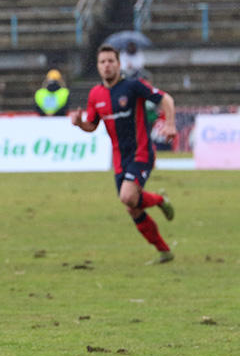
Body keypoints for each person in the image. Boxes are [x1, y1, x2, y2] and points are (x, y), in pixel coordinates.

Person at [69, 44, 177, 264]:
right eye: (102, 62)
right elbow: (92, 125)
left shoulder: (133, 86)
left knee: (128, 197)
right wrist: (80, 124)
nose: (107, 66)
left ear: (119, 64)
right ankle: (164, 250)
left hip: (141, 152)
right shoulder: (95, 94)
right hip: (119, 159)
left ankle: (158, 201)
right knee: (133, 208)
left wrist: (171, 125)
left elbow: (166, 99)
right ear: (98, 67)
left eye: (111, 61)